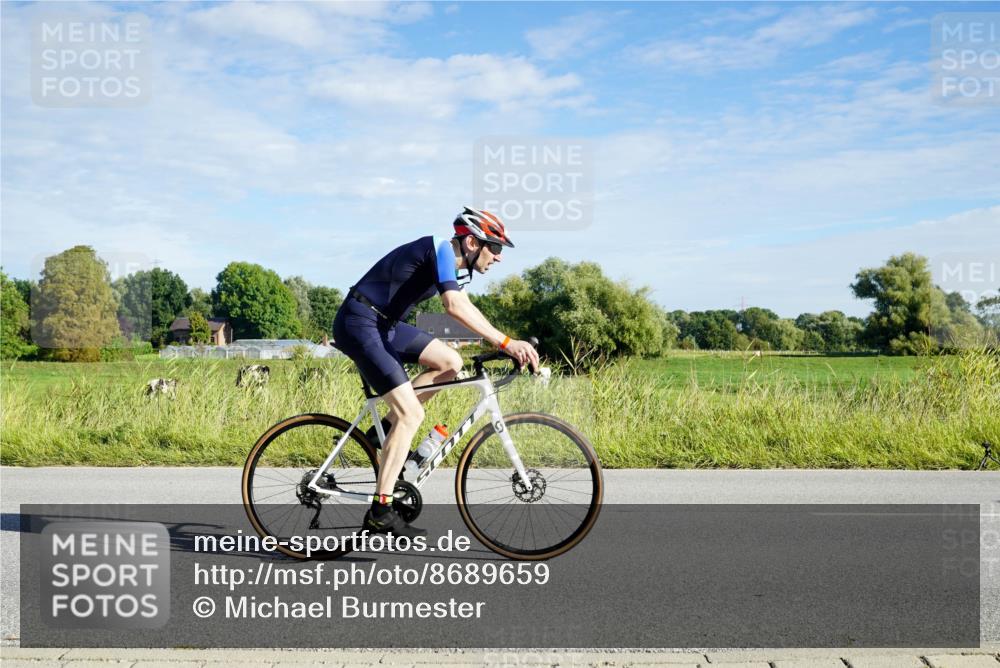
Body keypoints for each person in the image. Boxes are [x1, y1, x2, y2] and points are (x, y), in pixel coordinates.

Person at [332, 206, 540, 538]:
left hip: (384, 325)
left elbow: (466, 307)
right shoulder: (441, 248)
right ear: (472, 243)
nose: (499, 258)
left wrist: (503, 343)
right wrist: (506, 343)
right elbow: (453, 307)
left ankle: (382, 429)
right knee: (411, 414)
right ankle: (380, 510)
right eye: (495, 247)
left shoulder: (452, 267)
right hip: (360, 323)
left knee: (450, 363)